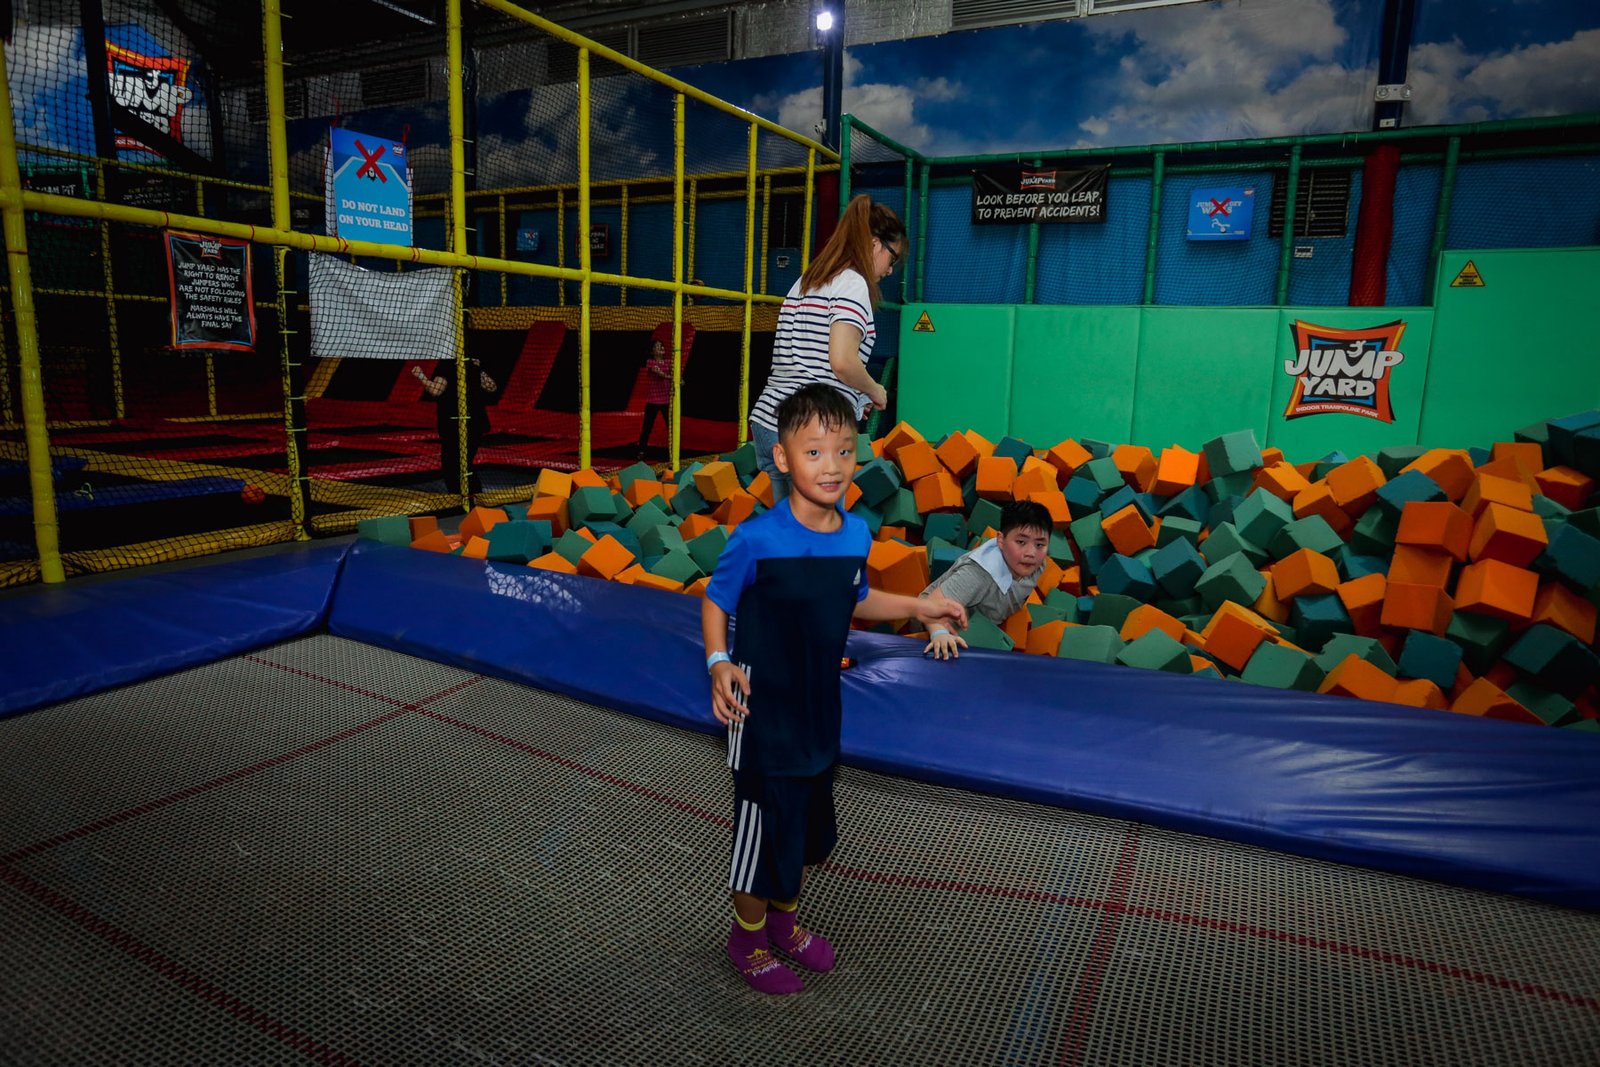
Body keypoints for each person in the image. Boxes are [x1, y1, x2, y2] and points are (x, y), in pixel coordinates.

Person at [701, 383, 967, 995]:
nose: (832, 465)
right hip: (761, 713)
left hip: (820, 708)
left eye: (844, 450)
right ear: (782, 457)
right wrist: (718, 662)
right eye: (814, 451)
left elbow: (855, 597)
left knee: (805, 832)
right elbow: (716, 601)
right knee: (762, 839)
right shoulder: (756, 539)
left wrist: (920, 605)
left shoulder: (855, 534)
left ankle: (784, 924)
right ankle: (747, 940)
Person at [748, 195, 905, 501]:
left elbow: (811, 362)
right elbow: (842, 361)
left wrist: (857, 397)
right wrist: (875, 389)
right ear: (875, 244)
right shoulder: (853, 284)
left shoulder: (807, 281)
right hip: (813, 431)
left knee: (791, 528)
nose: (890, 270)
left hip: (770, 422)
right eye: (893, 258)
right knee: (821, 530)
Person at [918, 500, 1054, 660]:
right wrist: (939, 634)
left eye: (1039, 544)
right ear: (1000, 540)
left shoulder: (1037, 564)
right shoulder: (978, 574)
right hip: (934, 625)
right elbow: (930, 606)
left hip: (985, 624)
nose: (1031, 553)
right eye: (1021, 542)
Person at [413, 356, 497, 497]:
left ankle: (460, 498)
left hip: (455, 425)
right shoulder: (472, 365)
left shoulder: (447, 366)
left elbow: (436, 390)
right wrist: (478, 369)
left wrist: (420, 376)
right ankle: (474, 498)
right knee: (465, 464)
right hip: (475, 423)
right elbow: (492, 387)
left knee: (451, 467)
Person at [637, 338, 672, 459]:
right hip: (653, 401)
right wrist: (672, 377)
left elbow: (675, 374)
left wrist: (679, 379)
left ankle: (673, 451)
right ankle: (641, 451)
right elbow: (661, 374)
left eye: (662, 346)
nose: (661, 348)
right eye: (657, 346)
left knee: (671, 427)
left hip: (666, 401)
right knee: (647, 427)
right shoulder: (651, 363)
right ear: (653, 351)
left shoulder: (669, 362)